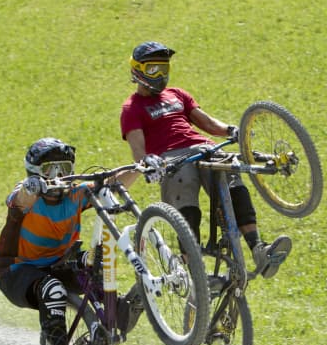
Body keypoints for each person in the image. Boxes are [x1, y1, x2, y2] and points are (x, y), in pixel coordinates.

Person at [119, 41, 292, 278]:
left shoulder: (177, 94)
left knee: (233, 182)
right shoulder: (132, 108)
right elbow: (138, 149)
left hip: (204, 147)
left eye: (164, 68)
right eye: (153, 69)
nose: (161, 75)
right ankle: (195, 276)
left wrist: (231, 130)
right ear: (137, 70)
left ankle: (258, 249)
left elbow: (208, 123)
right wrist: (147, 163)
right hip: (172, 159)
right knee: (185, 193)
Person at [0, 137, 95, 345]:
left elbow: (111, 184)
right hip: (18, 271)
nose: (59, 176)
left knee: (96, 261)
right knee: (52, 290)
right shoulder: (27, 195)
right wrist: (33, 186)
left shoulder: (75, 194)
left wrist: (141, 167)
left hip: (61, 264)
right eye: (51, 170)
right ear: (36, 172)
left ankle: (113, 319)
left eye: (65, 170)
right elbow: (20, 199)